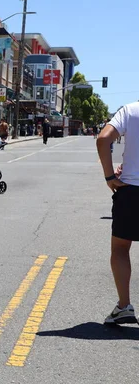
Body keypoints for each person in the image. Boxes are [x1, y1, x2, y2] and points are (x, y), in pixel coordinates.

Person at [97, 102, 139, 325]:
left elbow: (103, 139)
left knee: (121, 249)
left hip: (131, 191)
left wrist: (109, 176)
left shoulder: (131, 110)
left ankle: (124, 306)